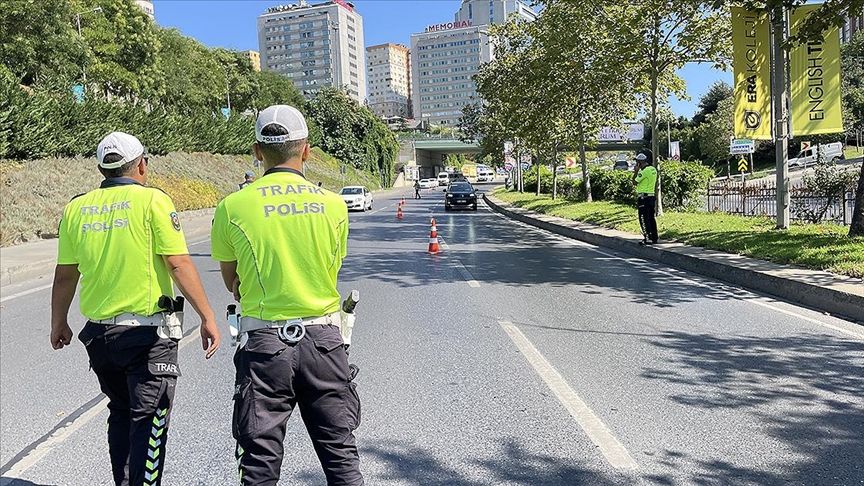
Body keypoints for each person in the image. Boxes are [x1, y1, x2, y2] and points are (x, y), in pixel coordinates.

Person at [50, 131, 221, 486]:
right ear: (141, 165)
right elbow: (177, 263)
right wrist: (207, 316)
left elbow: (65, 275)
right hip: (146, 335)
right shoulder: (153, 201)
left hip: (99, 336)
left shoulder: (76, 208)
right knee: (150, 420)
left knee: (121, 412)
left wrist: (59, 322)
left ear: (102, 168)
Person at [211, 105, 363, 485]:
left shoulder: (233, 206)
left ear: (257, 152)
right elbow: (332, 266)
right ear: (306, 150)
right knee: (341, 457)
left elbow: (232, 279)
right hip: (325, 343)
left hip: (263, 346)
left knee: (259, 464)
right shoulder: (333, 205)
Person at [632, 150, 659, 245]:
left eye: (637, 162)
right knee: (651, 218)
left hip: (643, 198)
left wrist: (636, 171)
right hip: (651, 196)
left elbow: (634, 182)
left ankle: (647, 237)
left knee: (643, 218)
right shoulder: (653, 169)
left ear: (640, 162)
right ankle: (654, 237)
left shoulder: (644, 171)